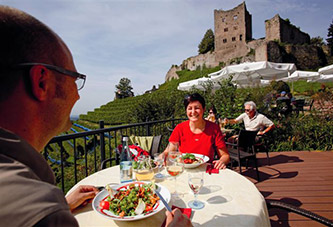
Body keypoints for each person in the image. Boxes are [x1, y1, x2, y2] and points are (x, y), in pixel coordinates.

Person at [0, 6, 190, 227]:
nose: (78, 96)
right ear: (42, 82)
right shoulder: (40, 212)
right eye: (75, 79)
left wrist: (63, 203)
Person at [164, 93, 230, 169]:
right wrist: (160, 158)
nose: (193, 112)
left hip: (205, 171)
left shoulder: (214, 128)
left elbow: (225, 156)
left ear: (204, 109)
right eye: (190, 108)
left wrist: (221, 161)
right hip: (183, 170)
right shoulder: (180, 128)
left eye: (197, 108)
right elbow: (169, 152)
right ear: (186, 110)